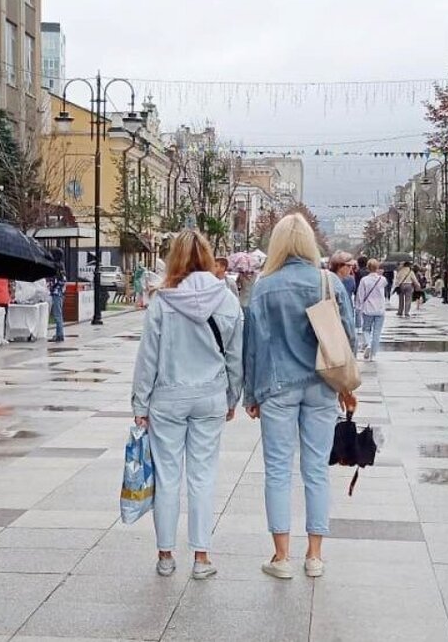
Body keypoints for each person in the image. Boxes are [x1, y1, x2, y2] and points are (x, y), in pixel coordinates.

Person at [243, 213, 356, 580]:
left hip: (277, 386)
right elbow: (348, 338)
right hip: (322, 385)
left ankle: (281, 556)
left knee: (277, 471)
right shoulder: (328, 281)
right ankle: (315, 555)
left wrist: (251, 393)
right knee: (315, 471)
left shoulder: (264, 285)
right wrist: (346, 389)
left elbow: (253, 345)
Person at [132, 230, 243, 580]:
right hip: (210, 394)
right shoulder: (226, 299)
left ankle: (165, 554)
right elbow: (235, 356)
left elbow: (147, 356)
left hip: (168, 396)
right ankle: (201, 556)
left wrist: (140, 402)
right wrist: (232, 396)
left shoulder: (163, 301)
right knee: (203, 476)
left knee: (167, 477)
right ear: (209, 257)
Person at [356, 258, 388, 361]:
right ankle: (373, 354)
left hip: (368, 309)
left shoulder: (364, 280)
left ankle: (367, 344)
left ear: (368, 268)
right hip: (380, 309)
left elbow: (360, 295)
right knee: (377, 331)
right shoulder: (382, 279)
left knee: (366, 329)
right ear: (377, 267)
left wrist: (358, 307)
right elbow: (385, 286)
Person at [47, 261, 67, 343]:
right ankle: (59, 334)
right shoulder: (63, 274)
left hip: (56, 294)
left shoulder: (57, 276)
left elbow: (54, 284)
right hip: (60, 294)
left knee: (57, 315)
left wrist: (51, 287)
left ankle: (60, 335)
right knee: (59, 314)